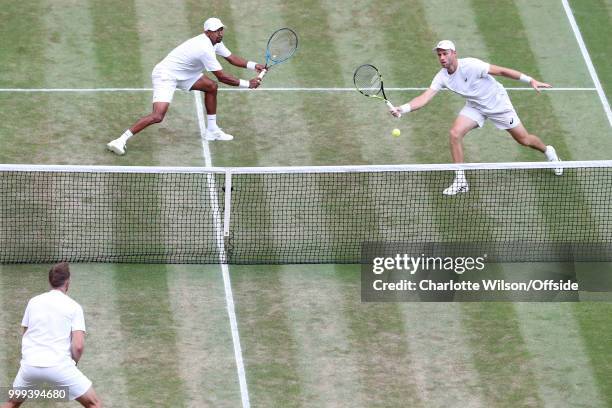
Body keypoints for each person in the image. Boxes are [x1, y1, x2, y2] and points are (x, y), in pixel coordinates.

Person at [390, 40, 563, 195]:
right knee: (454, 134)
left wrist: (530, 80)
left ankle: (549, 151)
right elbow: (424, 98)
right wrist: (402, 109)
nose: (442, 57)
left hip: (498, 105)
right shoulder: (441, 77)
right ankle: (460, 181)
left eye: (445, 53)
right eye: (439, 54)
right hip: (476, 106)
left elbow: (501, 71)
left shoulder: (472, 65)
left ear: (454, 54)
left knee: (524, 140)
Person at [107, 17, 265, 155]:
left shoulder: (215, 42)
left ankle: (211, 130)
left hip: (186, 74)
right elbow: (222, 76)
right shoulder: (204, 48)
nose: (220, 33)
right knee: (158, 116)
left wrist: (253, 65)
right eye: (217, 31)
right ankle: (120, 140)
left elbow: (231, 58)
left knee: (211, 87)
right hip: (166, 75)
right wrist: (247, 84)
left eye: (221, 30)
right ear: (207, 32)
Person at [2, 263, 102, 408]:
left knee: (11, 403)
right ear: (68, 282)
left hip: (30, 366)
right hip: (59, 367)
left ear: (50, 281)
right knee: (94, 404)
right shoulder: (74, 307)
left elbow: (25, 334)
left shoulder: (33, 302)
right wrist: (73, 363)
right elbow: (78, 346)